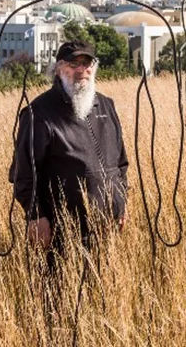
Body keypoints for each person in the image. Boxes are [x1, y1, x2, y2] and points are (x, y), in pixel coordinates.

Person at [9, 40, 128, 257]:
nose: (82, 70)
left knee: (105, 290)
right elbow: (23, 174)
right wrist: (36, 215)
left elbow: (120, 164)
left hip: (107, 228)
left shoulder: (106, 105)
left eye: (87, 63)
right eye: (74, 64)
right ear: (58, 69)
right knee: (61, 290)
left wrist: (120, 204)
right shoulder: (39, 113)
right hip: (62, 231)